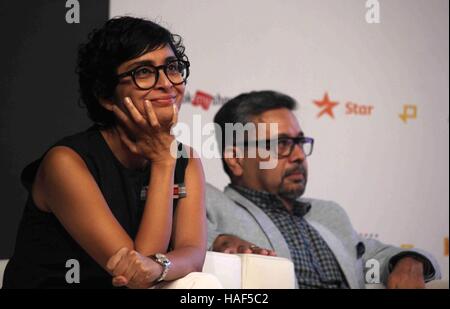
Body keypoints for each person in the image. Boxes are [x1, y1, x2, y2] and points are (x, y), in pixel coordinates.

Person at [3, 16, 209, 289]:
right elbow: (133, 276)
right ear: (106, 97)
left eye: (172, 67)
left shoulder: (186, 159)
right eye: (144, 72)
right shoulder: (67, 162)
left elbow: (192, 253)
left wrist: (161, 267)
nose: (167, 83)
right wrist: (162, 162)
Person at [207, 90, 441, 289]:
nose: (299, 156)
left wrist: (409, 261)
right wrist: (219, 241)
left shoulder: (327, 214)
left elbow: (376, 255)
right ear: (236, 159)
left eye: (299, 142)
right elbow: (185, 244)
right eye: (282, 144)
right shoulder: (211, 205)